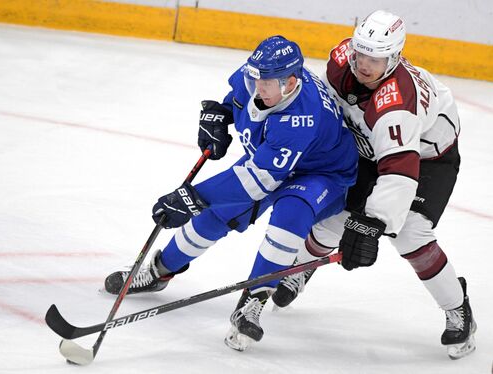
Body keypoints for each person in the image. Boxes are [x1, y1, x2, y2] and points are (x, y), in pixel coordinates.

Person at [103, 35, 359, 351]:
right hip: (273, 158)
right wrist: (220, 115)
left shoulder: (301, 119)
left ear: (291, 83)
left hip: (323, 173)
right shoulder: (259, 74)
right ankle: (159, 271)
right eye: (255, 78)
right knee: (216, 214)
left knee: (289, 214)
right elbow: (236, 97)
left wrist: (192, 196)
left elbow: (256, 180)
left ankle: (253, 301)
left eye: (266, 83)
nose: (257, 87)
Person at [271, 10, 476, 359]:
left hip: (426, 159)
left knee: (411, 233)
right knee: (336, 215)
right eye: (360, 52)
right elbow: (329, 108)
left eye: (375, 58)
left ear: (393, 58)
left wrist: (373, 221)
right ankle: (300, 271)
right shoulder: (341, 60)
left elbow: (399, 167)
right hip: (371, 148)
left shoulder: (396, 103)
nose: (363, 64)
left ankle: (458, 308)